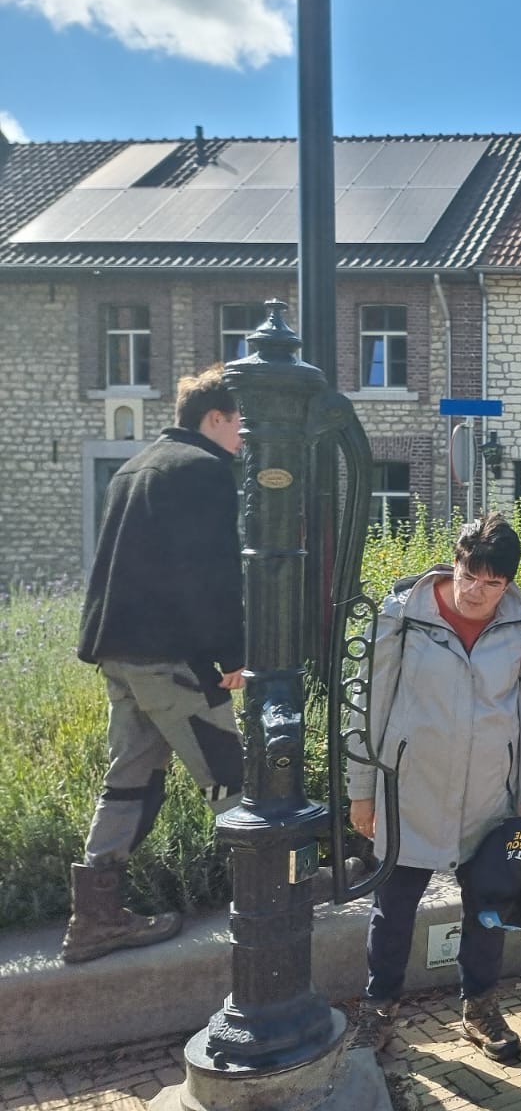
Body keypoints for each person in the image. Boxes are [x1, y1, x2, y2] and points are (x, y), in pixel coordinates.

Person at [348, 513, 521, 1061]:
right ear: (454, 563)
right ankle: (378, 1010)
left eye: (493, 583)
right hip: (409, 791)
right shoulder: (404, 616)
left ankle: (480, 1008)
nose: (476, 592)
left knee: (488, 908)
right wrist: (362, 789)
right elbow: (369, 704)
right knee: (393, 909)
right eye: (469, 575)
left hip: (489, 798)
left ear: (508, 583)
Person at [65, 365, 246, 964]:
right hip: (169, 655)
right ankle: (276, 893)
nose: (243, 437)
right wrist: (232, 655)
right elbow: (212, 573)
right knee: (228, 773)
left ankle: (93, 920)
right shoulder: (203, 470)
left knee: (131, 779)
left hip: (117, 651)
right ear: (215, 417)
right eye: (239, 423)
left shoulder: (135, 465)